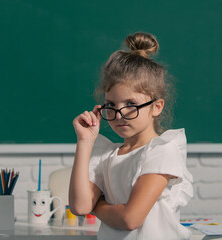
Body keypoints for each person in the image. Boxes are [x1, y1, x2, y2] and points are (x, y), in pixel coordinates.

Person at [69, 32, 193, 240]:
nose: (119, 114)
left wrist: (97, 204)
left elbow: (130, 219)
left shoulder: (162, 150)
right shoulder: (108, 154)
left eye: (131, 104)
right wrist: (85, 141)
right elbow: (80, 206)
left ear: (156, 107)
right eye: (111, 105)